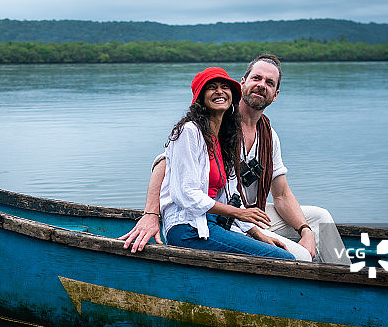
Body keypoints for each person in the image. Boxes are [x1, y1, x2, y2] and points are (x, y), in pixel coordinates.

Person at [120, 55, 350, 265]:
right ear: (242, 83)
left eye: (269, 83)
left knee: (321, 218)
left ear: (275, 94)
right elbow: (165, 164)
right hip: (225, 215)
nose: (261, 85)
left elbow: (281, 194)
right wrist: (151, 215)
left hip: (248, 213)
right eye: (256, 78)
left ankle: (346, 277)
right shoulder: (213, 122)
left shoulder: (268, 136)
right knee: (297, 257)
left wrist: (305, 231)